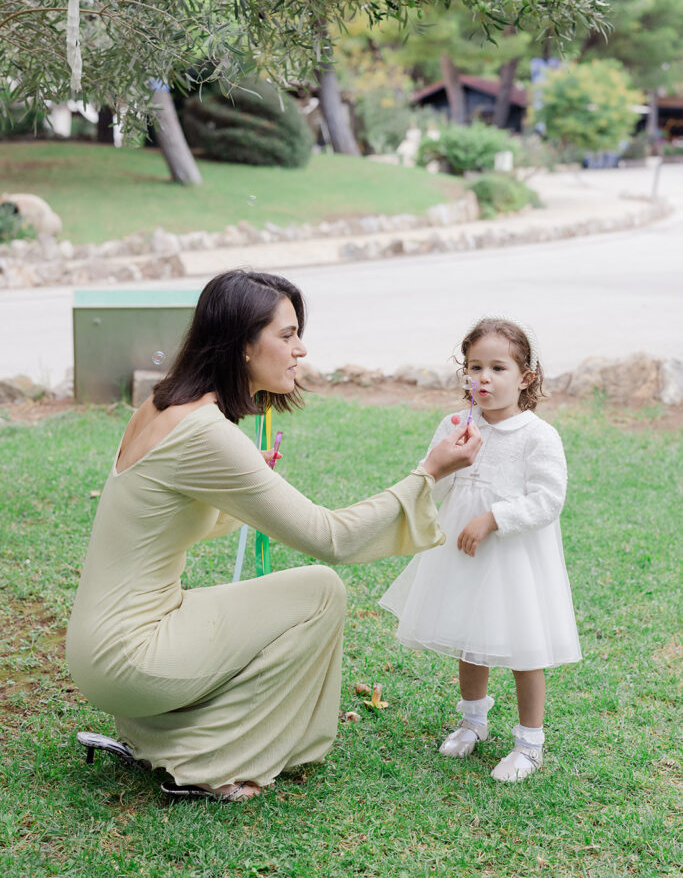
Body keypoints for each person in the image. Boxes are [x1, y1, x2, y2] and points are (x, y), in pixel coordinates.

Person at [66, 270, 482, 804]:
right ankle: (212, 760)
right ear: (242, 345)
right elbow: (331, 538)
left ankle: (165, 736)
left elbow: (165, 515)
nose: (300, 349)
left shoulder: (163, 407)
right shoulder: (206, 432)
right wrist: (429, 473)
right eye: (286, 335)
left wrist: (243, 482)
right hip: (129, 657)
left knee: (272, 599)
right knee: (320, 590)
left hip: (101, 647)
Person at [380, 316, 581, 782]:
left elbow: (548, 499)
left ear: (525, 378)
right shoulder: (456, 425)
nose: (484, 378)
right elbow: (434, 485)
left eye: (498, 368)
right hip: (464, 555)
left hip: (513, 560)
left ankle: (529, 743)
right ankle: (473, 721)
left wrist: (493, 519)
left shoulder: (538, 436)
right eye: (475, 367)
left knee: (524, 649)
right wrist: (445, 461)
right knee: (469, 636)